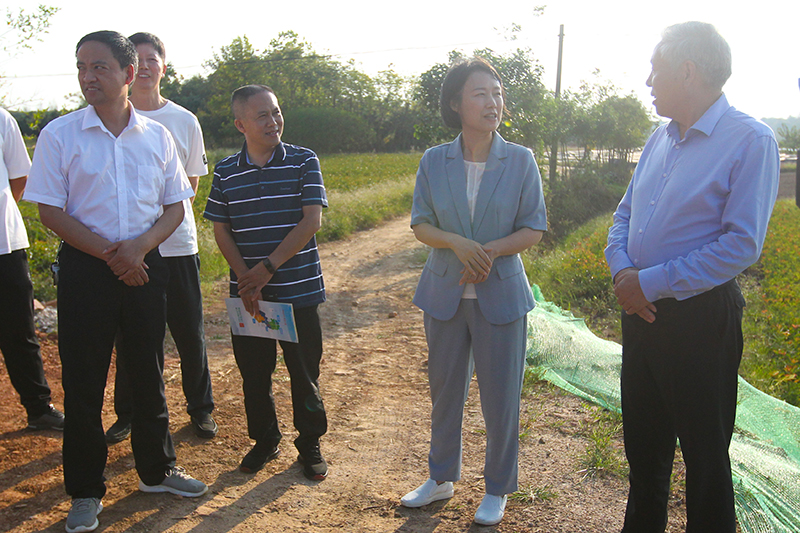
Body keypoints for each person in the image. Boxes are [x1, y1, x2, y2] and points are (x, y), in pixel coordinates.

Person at [24, 31, 208, 533]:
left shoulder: (159, 136)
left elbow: (175, 205)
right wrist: (114, 255)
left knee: (147, 370)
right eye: (82, 67)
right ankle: (85, 491)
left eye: (100, 67)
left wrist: (139, 249)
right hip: (88, 270)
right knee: (84, 381)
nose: (88, 77)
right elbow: (48, 211)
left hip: (147, 266)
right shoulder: (61, 135)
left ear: (128, 74)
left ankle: (157, 469)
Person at [605, 22, 779, 533]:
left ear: (688, 71)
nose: (647, 82)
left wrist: (649, 282)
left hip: (700, 319)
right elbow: (623, 215)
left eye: (655, 70)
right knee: (644, 452)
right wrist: (624, 275)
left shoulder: (750, 139)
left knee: (705, 460)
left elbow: (741, 244)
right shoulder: (658, 138)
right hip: (640, 314)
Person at [401, 58, 547, 526]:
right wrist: (457, 243)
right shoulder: (434, 160)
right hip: (444, 294)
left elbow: (534, 228)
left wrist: (489, 251)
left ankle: (498, 488)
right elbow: (421, 223)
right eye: (481, 93)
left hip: (501, 295)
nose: (493, 102)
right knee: (445, 393)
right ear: (456, 103)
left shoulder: (520, 160)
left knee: (501, 399)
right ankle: (441, 477)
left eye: (498, 93)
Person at [204, 84, 329, 480]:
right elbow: (221, 230)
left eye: (276, 112)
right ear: (241, 123)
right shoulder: (225, 171)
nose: (273, 121)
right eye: (262, 116)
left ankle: (309, 442)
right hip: (248, 296)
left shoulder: (304, 161)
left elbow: (311, 220)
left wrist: (266, 269)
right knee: (254, 373)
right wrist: (246, 277)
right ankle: (265, 438)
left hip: (298, 289)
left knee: (305, 372)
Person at [105, 31, 216, 444]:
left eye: (155, 59)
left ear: (162, 68)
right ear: (129, 69)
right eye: (141, 59)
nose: (148, 66)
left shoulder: (184, 120)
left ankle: (200, 408)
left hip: (176, 245)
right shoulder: (110, 118)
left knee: (189, 332)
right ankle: (128, 413)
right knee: (132, 335)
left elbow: (188, 187)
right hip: (132, 252)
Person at [0, 106, 65, 431]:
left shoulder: (2, 119)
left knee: (18, 329)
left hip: (4, 244)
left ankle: (38, 407)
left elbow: (19, 180)